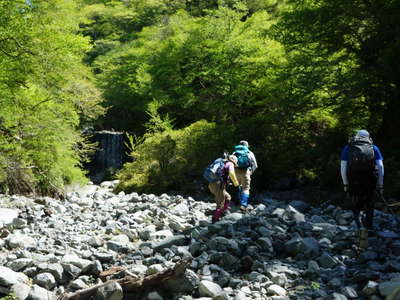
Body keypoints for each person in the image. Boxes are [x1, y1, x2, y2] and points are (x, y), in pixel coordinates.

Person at [340, 129, 384, 230]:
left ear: (356, 136)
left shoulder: (348, 148)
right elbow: (380, 167)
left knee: (356, 205)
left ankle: (360, 229)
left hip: (353, 180)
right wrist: (380, 184)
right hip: (370, 180)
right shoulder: (374, 147)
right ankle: (369, 228)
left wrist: (345, 184)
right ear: (368, 137)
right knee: (369, 204)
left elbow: (343, 167)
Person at [208, 155, 241, 223]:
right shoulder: (230, 163)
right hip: (219, 184)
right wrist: (236, 184)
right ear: (234, 161)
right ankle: (215, 221)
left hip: (211, 184)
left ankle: (222, 213)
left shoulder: (222, 162)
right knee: (220, 203)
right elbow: (231, 173)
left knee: (228, 197)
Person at [233, 140, 258, 211]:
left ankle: (238, 202)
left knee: (238, 187)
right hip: (245, 171)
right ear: (247, 145)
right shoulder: (249, 152)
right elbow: (255, 165)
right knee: (246, 189)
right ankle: (243, 205)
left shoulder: (235, 152)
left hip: (236, 172)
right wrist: (250, 172)